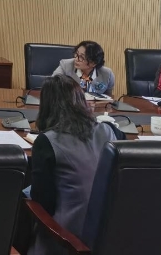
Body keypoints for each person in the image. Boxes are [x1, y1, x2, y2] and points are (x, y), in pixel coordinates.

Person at [29, 74, 118, 255]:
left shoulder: (46, 141)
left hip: (67, 238)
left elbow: (43, 202)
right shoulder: (109, 131)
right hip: (109, 232)